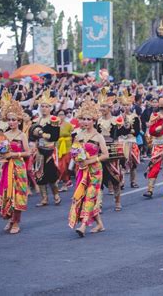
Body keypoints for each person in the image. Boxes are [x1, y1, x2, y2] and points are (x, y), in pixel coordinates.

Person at [68, 100, 109, 237]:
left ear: (94, 120)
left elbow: (105, 155)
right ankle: (99, 224)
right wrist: (77, 160)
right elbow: (74, 152)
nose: (85, 122)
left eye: (88, 119)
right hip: (82, 169)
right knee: (84, 195)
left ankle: (84, 224)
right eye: (83, 119)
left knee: (91, 195)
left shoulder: (98, 137)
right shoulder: (78, 135)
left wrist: (91, 160)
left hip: (95, 170)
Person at [0, 92, 30, 234]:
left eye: (14, 119)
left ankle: (16, 222)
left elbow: (28, 152)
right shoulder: (3, 135)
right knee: (6, 193)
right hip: (6, 167)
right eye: (9, 120)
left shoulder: (22, 135)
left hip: (18, 167)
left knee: (18, 194)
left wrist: (13, 154)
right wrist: (0, 155)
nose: (11, 122)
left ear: (19, 120)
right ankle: (10, 218)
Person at [32, 91, 61, 207]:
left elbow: (55, 136)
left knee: (51, 175)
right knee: (39, 175)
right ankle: (44, 198)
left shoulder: (54, 120)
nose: (44, 108)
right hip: (39, 150)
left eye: (47, 106)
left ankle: (56, 195)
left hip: (49, 150)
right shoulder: (36, 120)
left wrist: (41, 133)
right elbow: (32, 136)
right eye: (42, 106)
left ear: (51, 108)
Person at [97, 88, 123, 211]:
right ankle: (99, 203)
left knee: (115, 177)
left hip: (113, 149)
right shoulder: (97, 121)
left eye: (104, 106)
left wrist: (125, 125)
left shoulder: (116, 120)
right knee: (99, 177)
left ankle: (117, 201)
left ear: (109, 107)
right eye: (100, 106)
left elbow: (123, 132)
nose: (102, 109)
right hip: (100, 150)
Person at [144, 95, 163, 198]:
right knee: (155, 166)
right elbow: (152, 131)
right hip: (158, 144)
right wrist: (161, 127)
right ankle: (150, 189)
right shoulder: (155, 115)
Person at [117, 90, 141, 188]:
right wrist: (126, 128)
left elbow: (137, 131)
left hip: (132, 141)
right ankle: (121, 181)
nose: (126, 107)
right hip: (122, 142)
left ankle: (133, 181)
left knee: (133, 163)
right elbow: (118, 132)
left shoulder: (135, 117)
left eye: (127, 105)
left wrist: (129, 130)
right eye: (124, 105)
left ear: (131, 105)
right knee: (122, 163)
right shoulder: (119, 117)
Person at [57, 109, 73, 192]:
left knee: (65, 166)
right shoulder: (55, 124)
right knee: (59, 166)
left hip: (67, 147)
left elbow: (72, 135)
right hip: (58, 147)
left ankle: (65, 183)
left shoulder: (69, 125)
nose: (61, 116)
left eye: (62, 114)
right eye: (59, 114)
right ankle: (65, 181)